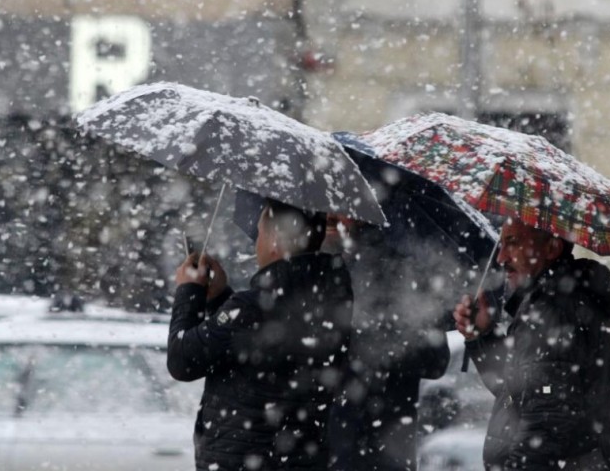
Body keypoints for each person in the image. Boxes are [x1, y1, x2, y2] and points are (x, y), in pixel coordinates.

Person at [167, 198, 353, 471]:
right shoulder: (330, 301)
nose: (256, 244)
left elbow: (182, 361)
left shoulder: (255, 306)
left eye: (260, 233)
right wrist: (220, 298)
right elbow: (257, 345)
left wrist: (189, 291)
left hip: (245, 459)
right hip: (301, 458)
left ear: (275, 241)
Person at [453, 217, 610, 471]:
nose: (501, 257)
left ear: (551, 249)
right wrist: (481, 335)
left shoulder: (553, 309)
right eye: (501, 244)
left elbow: (547, 422)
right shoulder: (548, 301)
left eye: (513, 243)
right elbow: (518, 392)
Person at [326, 213, 453, 471]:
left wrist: (370, 344)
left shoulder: (402, 272)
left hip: (379, 446)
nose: (329, 217)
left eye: (339, 209)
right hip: (327, 445)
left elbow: (435, 360)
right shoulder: (320, 271)